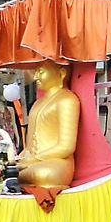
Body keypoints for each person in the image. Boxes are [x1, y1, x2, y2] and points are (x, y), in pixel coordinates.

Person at [16, 61, 80, 190]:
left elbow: (66, 146)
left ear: (61, 73)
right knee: (10, 171)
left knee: (42, 174)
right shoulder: (37, 103)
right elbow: (29, 147)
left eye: (41, 72)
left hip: (57, 163)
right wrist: (20, 158)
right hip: (35, 161)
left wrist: (35, 159)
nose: (35, 77)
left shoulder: (67, 100)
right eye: (35, 72)